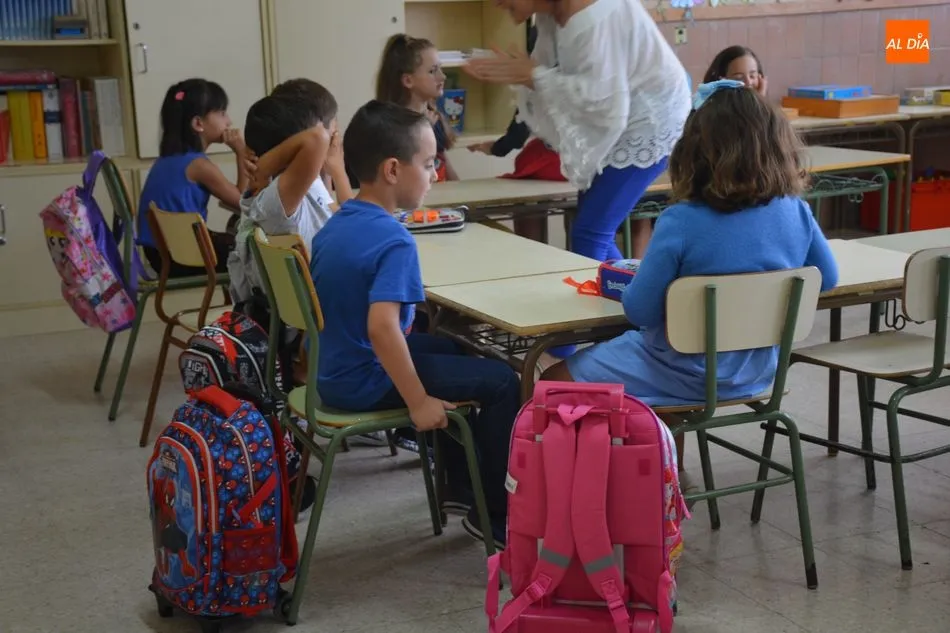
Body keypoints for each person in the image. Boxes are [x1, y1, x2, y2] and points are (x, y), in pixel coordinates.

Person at [541, 80, 839, 462]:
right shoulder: (795, 210)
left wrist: (635, 284)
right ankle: (667, 477)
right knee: (659, 378)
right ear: (777, 145)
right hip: (758, 371)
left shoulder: (681, 221)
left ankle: (607, 487)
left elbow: (640, 312)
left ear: (693, 152)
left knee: (552, 382)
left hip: (681, 370)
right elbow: (826, 280)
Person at [310, 100, 521, 547]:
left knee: (450, 349)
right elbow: (383, 329)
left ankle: (462, 488)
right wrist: (420, 401)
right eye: (428, 164)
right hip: (362, 377)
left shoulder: (339, 221)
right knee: (503, 380)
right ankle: (497, 516)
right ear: (392, 169)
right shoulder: (394, 239)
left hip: (333, 370)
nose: (436, 175)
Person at [464, 0, 691, 262]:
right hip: (624, 121)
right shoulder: (552, 13)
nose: (497, 3)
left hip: (649, 125)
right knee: (590, 228)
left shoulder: (593, 16)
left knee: (589, 233)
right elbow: (547, 73)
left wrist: (533, 75)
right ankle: (625, 296)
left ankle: (624, 300)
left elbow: (604, 103)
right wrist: (526, 74)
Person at [227, 80, 343, 305]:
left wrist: (330, 171)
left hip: (319, 305)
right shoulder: (273, 200)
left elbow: (339, 218)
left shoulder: (297, 188)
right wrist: (263, 166)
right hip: (314, 319)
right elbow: (317, 138)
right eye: (331, 127)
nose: (333, 135)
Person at [137, 78, 250, 276]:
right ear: (198, 123)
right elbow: (243, 200)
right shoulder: (199, 166)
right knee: (253, 253)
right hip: (183, 257)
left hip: (159, 254)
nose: (229, 121)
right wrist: (241, 151)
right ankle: (249, 306)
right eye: (222, 113)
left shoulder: (168, 159)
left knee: (236, 241)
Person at [376, 33, 459, 182]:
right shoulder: (392, 126)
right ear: (408, 80)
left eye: (440, 69)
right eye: (433, 71)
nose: (443, 77)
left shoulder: (433, 115)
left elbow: (444, 161)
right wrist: (422, 130)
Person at [703, 45, 768, 98]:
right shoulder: (715, 111)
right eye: (739, 78)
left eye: (752, 76)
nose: (748, 82)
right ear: (721, 81)